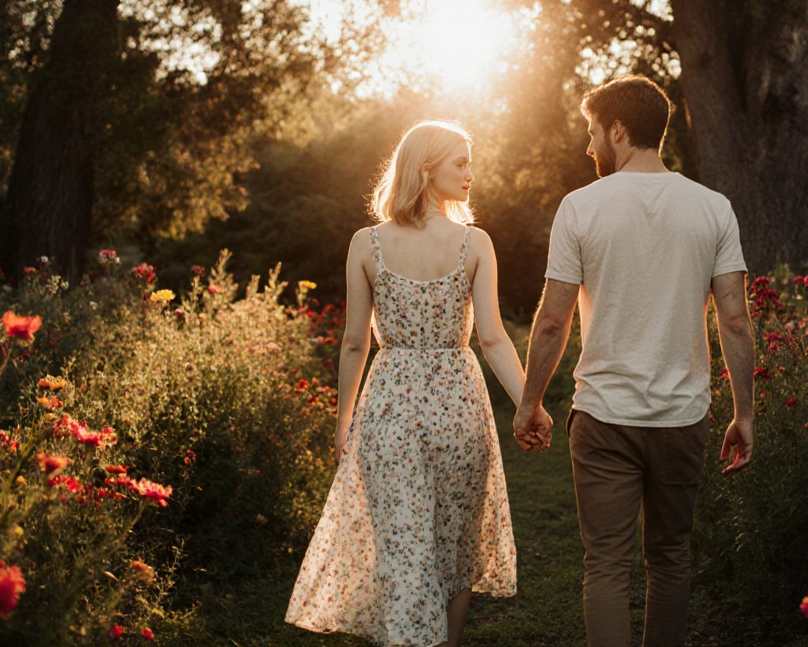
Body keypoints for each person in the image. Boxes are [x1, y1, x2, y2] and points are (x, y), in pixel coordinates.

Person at [512, 75, 757, 647]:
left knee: (606, 565)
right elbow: (736, 320)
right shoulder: (714, 207)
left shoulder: (580, 207)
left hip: (603, 417)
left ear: (618, 130)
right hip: (682, 416)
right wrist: (745, 413)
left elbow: (552, 320)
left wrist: (529, 404)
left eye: (592, 132)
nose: (588, 146)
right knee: (670, 558)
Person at [285, 121, 543, 646]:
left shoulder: (367, 244)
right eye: (461, 163)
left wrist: (344, 422)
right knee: (454, 548)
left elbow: (355, 344)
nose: (471, 174)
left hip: (389, 410)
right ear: (427, 169)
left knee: (406, 550)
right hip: (459, 406)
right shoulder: (475, 243)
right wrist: (529, 404)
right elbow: (493, 339)